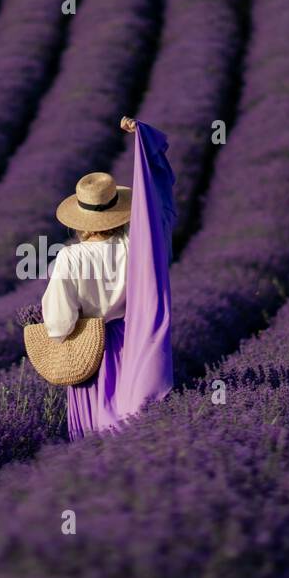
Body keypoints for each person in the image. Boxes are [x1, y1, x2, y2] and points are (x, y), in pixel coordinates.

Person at [41, 117, 176, 439]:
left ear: (79, 218)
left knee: (94, 437)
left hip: (91, 350)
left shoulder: (70, 257)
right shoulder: (142, 247)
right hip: (138, 342)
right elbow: (162, 201)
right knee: (136, 430)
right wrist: (143, 139)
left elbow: (58, 324)